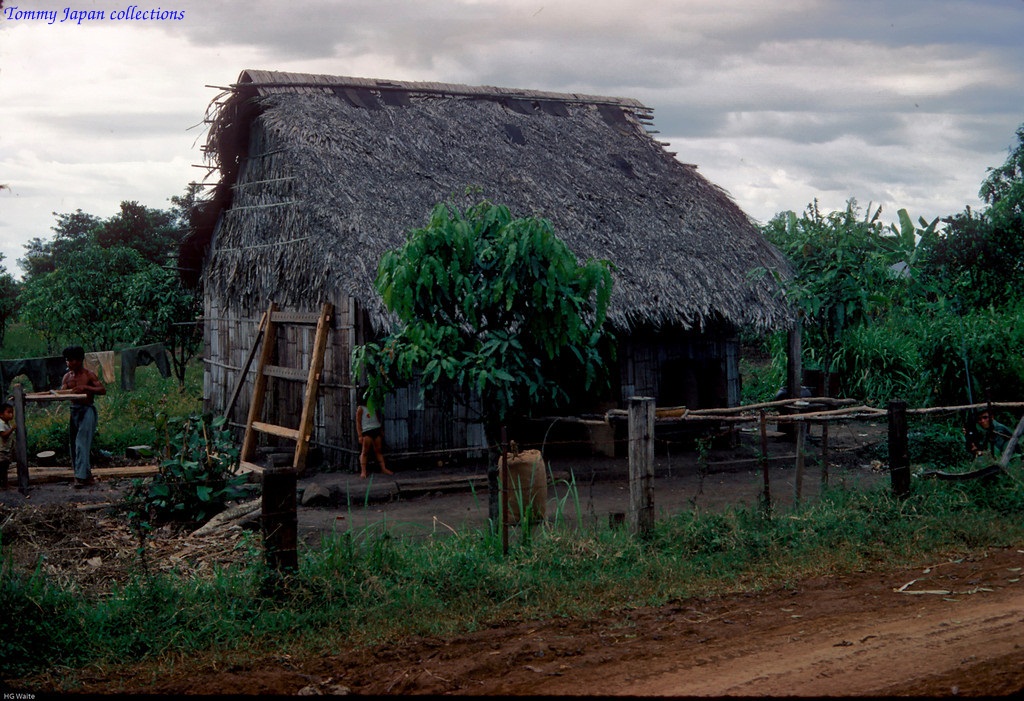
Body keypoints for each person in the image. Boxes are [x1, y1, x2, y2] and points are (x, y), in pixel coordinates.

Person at [60, 345, 106, 488]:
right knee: (74, 445)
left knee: (81, 443)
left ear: (79, 360)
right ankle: (85, 476)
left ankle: (80, 478)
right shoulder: (67, 377)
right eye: (67, 360)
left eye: (72, 360)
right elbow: (62, 393)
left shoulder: (88, 375)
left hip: (87, 411)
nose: (69, 363)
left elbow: (102, 390)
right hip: (74, 411)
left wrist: (86, 388)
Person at [356, 400, 392, 479]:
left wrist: (381, 430)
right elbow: (358, 422)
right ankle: (363, 471)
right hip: (367, 431)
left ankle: (383, 468)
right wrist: (360, 435)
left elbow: (377, 418)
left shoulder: (373, 406)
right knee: (365, 452)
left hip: (376, 429)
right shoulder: (360, 408)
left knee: (378, 451)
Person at [0, 402, 14, 490]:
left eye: (12, 412)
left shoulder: (7, 423)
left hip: (6, 450)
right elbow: (3, 435)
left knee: (4, 468)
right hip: (1, 450)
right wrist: (12, 429)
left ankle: (5, 484)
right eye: (8, 412)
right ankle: (3, 485)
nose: (11, 415)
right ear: (1, 414)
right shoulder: (1, 423)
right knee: (1, 468)